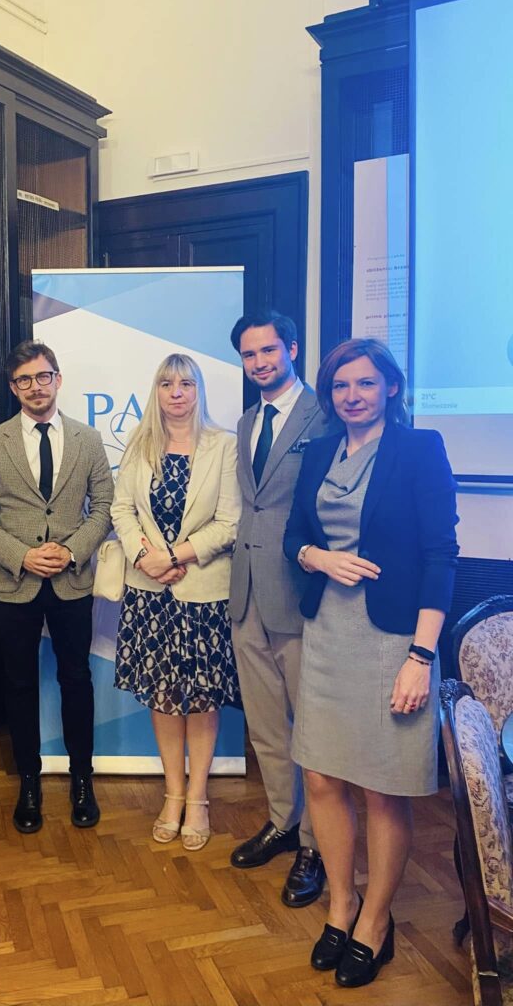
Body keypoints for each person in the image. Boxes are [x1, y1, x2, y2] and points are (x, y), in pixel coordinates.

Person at [283, 337, 458, 988]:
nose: (351, 395)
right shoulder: (319, 451)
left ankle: (377, 922)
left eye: (364, 383)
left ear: (390, 387)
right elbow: (295, 537)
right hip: (327, 631)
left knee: (384, 788)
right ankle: (342, 904)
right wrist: (318, 558)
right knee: (322, 779)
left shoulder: (419, 449)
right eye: (340, 386)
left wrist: (421, 657)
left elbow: (441, 555)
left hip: (394, 640)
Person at [0, 339, 112, 834]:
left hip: (72, 581)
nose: (35, 387)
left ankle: (82, 780)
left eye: (43, 377)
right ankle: (28, 781)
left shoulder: (88, 440)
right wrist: (21, 556)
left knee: (77, 680)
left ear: (57, 379)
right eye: (23, 380)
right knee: (19, 683)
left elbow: (104, 508)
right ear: (13, 388)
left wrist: (72, 551)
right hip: (14, 584)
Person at [111, 353, 240, 851]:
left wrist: (175, 555)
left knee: (202, 698)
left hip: (203, 592)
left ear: (198, 390)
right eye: (166, 383)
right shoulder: (139, 443)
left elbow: (229, 522)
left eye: (186, 383)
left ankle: (199, 798)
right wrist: (146, 557)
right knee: (163, 695)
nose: (176, 392)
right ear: (157, 391)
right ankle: (173, 795)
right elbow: (122, 510)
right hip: (149, 593)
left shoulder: (224, 446)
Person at [228, 311, 329, 907]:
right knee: (266, 727)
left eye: (269, 350)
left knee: (310, 733)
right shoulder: (246, 421)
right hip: (245, 596)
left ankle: (316, 845)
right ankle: (282, 821)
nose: (260, 362)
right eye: (249, 354)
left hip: (298, 594)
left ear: (291, 349)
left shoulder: (325, 414)